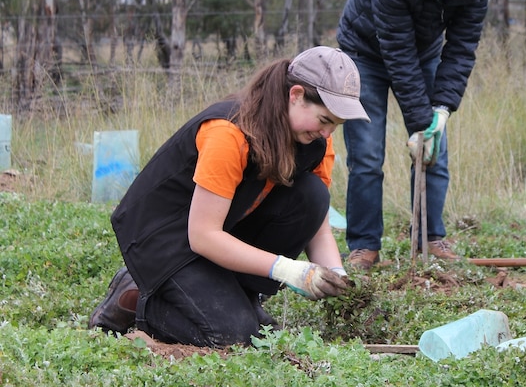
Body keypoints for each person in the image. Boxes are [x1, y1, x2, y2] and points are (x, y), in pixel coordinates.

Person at [88, 46, 369, 347]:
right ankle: (140, 300)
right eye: (324, 119)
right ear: (296, 95)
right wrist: (289, 270)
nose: (328, 133)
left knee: (312, 196)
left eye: (335, 126)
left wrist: (336, 276)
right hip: (165, 239)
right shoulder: (228, 133)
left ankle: (240, 297)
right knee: (233, 337)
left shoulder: (315, 142)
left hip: (221, 229)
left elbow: (317, 220)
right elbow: (202, 236)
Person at [336, 0, 494, 270]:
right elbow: (398, 58)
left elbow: (462, 48)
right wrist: (421, 123)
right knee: (366, 154)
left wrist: (441, 112)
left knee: (434, 147)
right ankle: (364, 246)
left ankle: (429, 237)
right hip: (365, 53)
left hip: (422, 53)